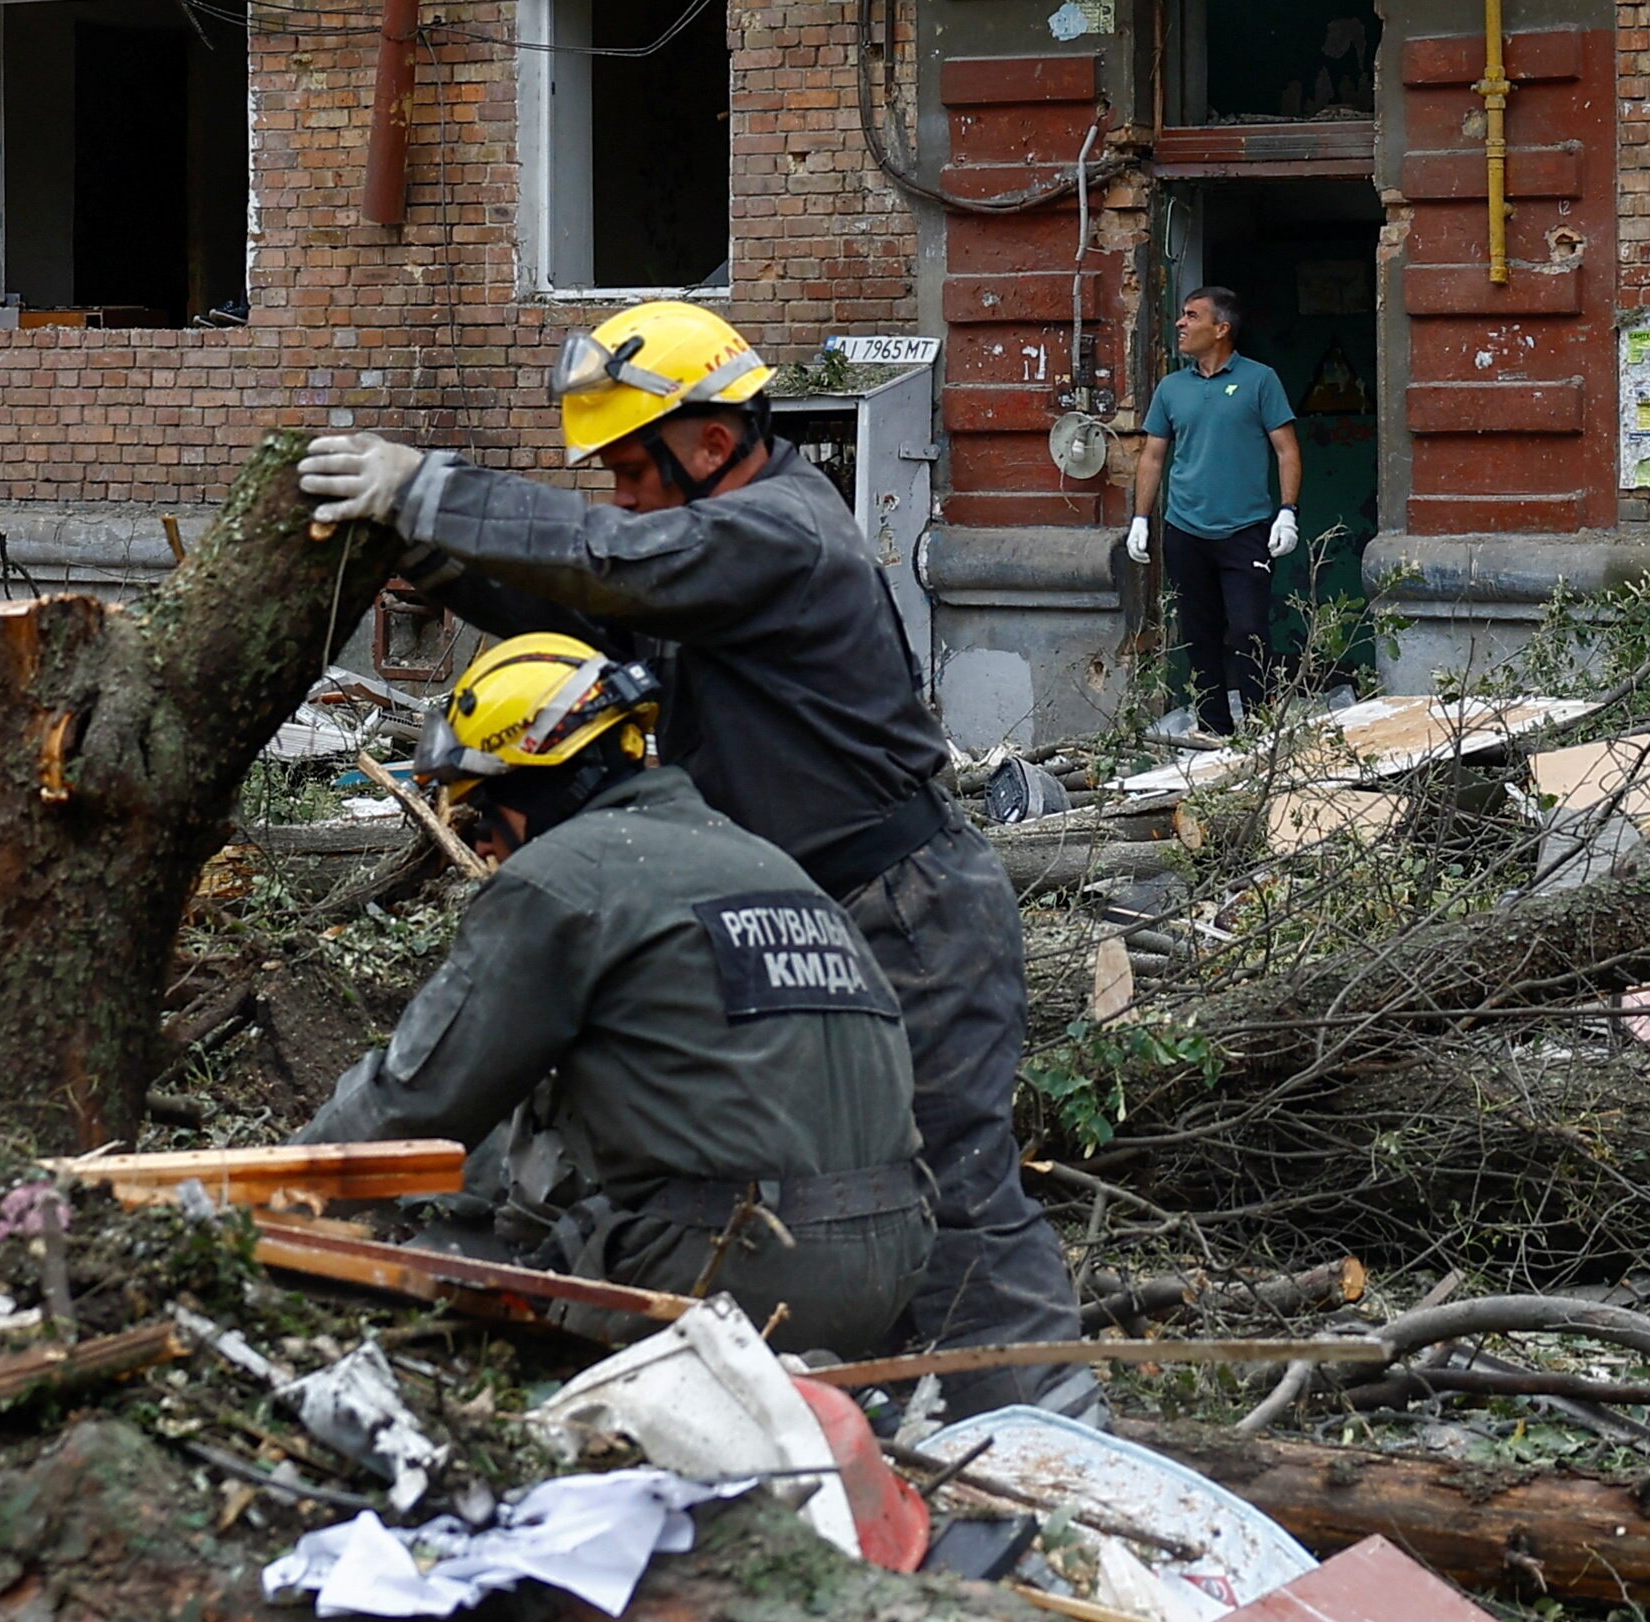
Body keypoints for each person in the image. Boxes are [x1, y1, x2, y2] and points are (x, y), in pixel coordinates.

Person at [301, 303, 1091, 1413]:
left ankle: (1042, 1434)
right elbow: (583, 606)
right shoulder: (710, 557)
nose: (618, 494)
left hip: (901, 909)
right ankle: (871, 1418)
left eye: (630, 467)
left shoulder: (778, 533)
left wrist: (425, 490)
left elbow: (616, 564)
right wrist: (436, 561)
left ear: (711, 441)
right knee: (803, 1189)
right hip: (817, 904)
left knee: (946, 1184)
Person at [302, 634, 929, 1351]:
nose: (478, 846)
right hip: (895, 1258)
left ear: (536, 778)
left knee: (439, 1265)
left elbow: (417, 1102)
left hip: (730, 1270)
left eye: (479, 814)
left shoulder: (562, 879)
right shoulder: (764, 863)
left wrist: (265, 1193)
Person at [1127, 282, 1303, 739]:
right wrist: (1140, 518)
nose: (1181, 324)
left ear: (1221, 328)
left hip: (1245, 529)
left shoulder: (1259, 379)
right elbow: (1152, 456)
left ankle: (1261, 729)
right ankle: (1213, 730)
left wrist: (1288, 510)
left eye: (1191, 316)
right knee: (1198, 634)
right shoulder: (1171, 388)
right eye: (1182, 315)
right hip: (1185, 529)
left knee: (1248, 632)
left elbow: (1286, 450)